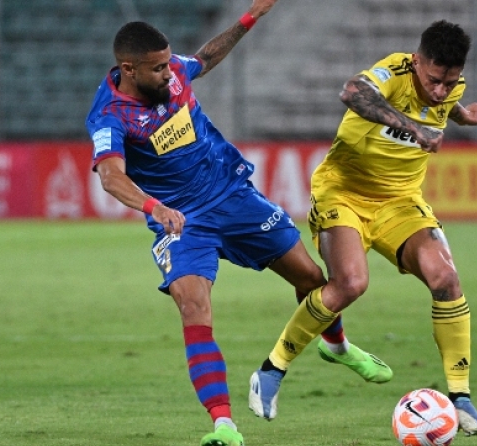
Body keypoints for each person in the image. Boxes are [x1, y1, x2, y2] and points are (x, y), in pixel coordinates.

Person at [85, 3, 388, 445]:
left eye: (169, 63)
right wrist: (155, 208)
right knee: (193, 308)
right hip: (182, 220)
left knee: (311, 279)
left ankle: (336, 346)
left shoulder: (174, 73)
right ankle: (224, 425)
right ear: (128, 69)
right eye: (159, 68)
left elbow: (205, 57)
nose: (170, 74)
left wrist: (250, 18)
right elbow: (111, 176)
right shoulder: (110, 115)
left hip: (232, 196)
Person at [249, 20, 477, 437]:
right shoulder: (395, 72)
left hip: (400, 201)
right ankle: (271, 370)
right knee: (350, 284)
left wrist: (464, 116)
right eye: (434, 80)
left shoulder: (452, 87)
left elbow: (444, 104)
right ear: (417, 62)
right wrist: (414, 128)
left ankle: (460, 397)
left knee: (446, 279)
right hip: (343, 192)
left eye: (449, 83)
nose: (440, 90)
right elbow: (352, 92)